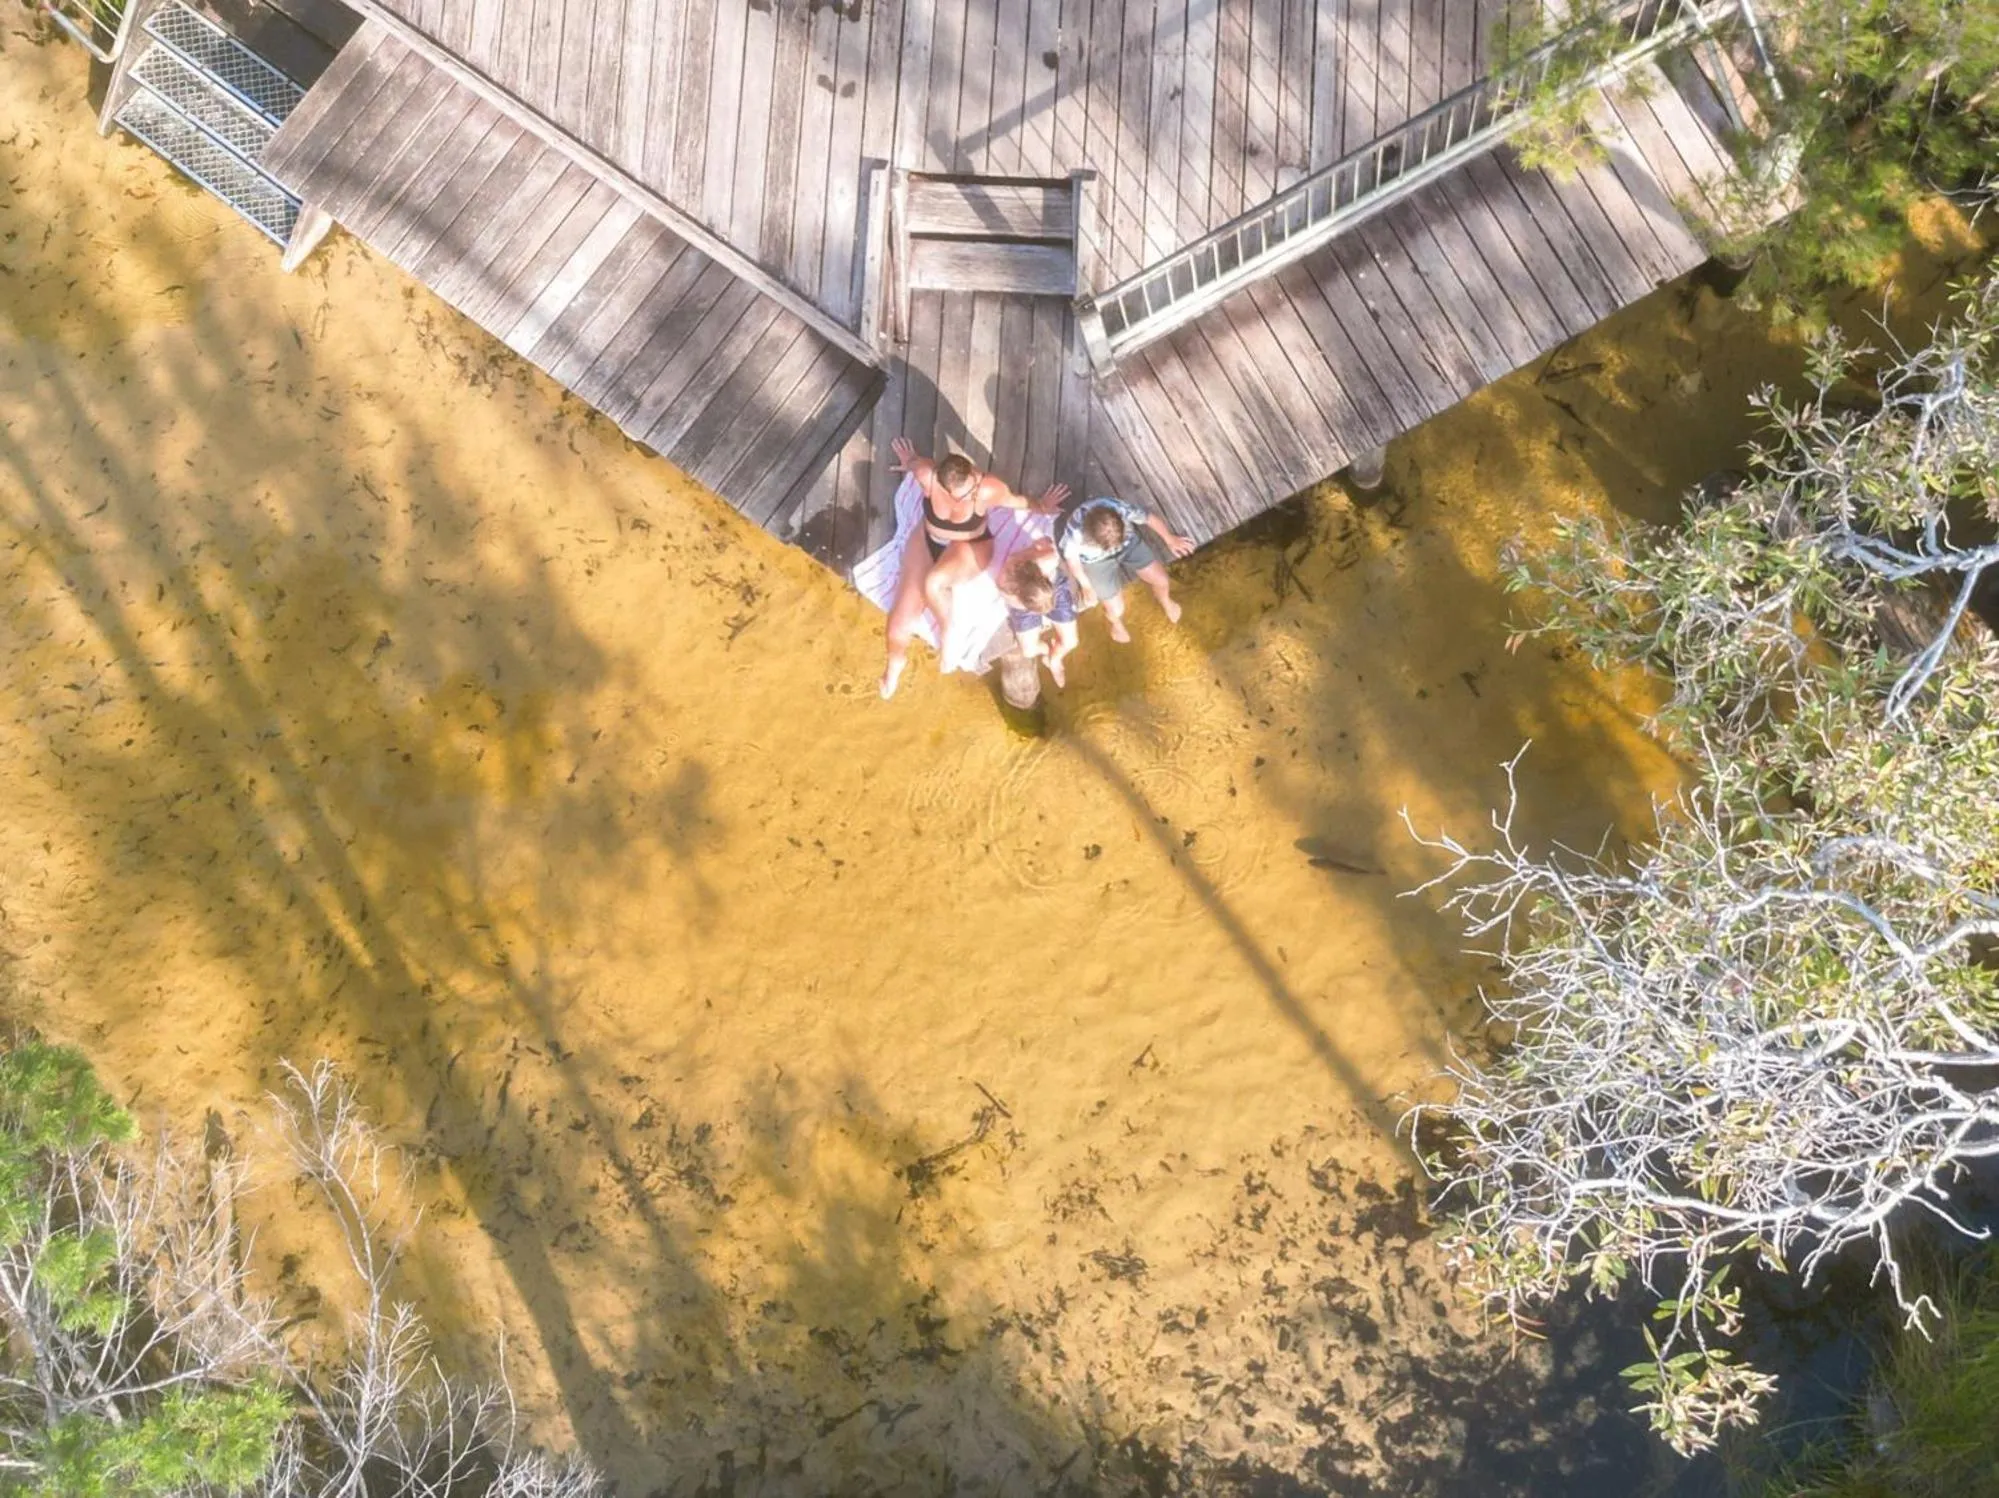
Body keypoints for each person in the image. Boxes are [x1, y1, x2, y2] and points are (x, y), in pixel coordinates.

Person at [880, 437, 1067, 698]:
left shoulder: (986, 488)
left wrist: (1042, 506)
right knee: (898, 622)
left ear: (972, 475)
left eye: (969, 491)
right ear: (940, 482)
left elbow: (1017, 501)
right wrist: (908, 460)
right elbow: (914, 463)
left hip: (970, 544)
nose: (966, 497)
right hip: (928, 539)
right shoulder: (927, 475)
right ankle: (894, 665)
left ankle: (949, 633)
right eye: (957, 495)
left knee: (934, 583)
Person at [1055, 496, 1195, 643]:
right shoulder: (1075, 533)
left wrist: (1169, 538)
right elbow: (1072, 559)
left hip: (1126, 544)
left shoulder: (1117, 507)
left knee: (1161, 580)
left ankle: (1166, 601)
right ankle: (1116, 623)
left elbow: (1148, 517)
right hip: (1096, 561)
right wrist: (1086, 586)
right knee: (1116, 609)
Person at [996, 541, 1080, 689]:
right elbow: (1015, 601)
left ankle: (1054, 660)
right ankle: (1048, 653)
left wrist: (1034, 550)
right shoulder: (1005, 584)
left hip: (1053, 588)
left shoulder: (1048, 560)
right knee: (1029, 651)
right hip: (1023, 602)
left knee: (1071, 642)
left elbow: (1046, 541)